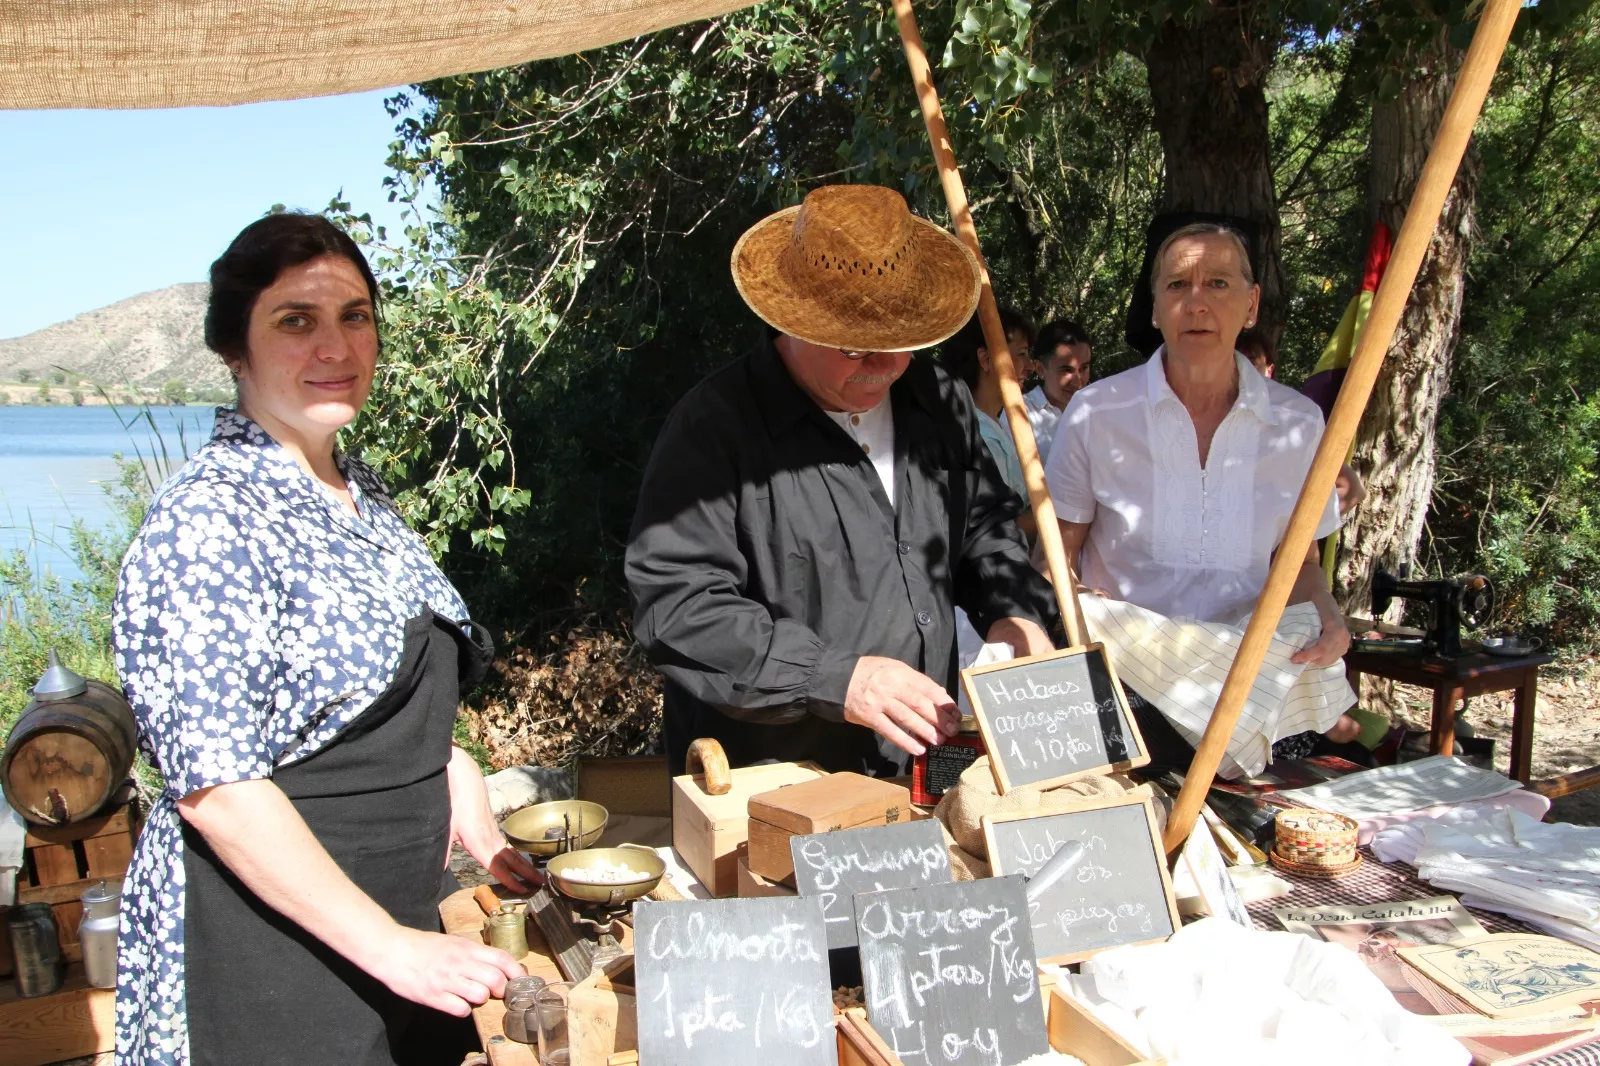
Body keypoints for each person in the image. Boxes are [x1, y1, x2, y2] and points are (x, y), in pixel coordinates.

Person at [112, 214, 536, 1065]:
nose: (336, 344)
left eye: (355, 315)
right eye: (295, 320)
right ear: (235, 349)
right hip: (276, 949)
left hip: (392, 919)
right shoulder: (207, 521)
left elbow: (378, 705)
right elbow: (219, 790)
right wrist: (392, 948)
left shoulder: (358, 491)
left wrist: (473, 814)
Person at [626, 184, 1058, 776]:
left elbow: (981, 528)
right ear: (795, 322)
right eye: (858, 349)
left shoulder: (937, 399)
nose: (886, 366)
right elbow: (679, 607)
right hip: (778, 785)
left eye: (902, 344)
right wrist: (839, 679)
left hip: (925, 766)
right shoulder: (713, 429)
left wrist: (1014, 613)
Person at [1045, 221, 1360, 775]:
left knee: (1256, 853)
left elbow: (1298, 564)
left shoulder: (1299, 423)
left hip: (1252, 683)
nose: (1196, 304)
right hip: (1126, 686)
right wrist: (1077, 620)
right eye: (1176, 286)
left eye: (1217, 283)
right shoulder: (1097, 413)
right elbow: (1054, 554)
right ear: (1154, 308)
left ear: (1252, 303)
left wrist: (1329, 616)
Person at [1239, 327, 1367, 517]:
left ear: (1269, 369)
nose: (1243, 371)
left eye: (1251, 363)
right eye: (1236, 363)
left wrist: (1288, 538)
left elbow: (1350, 489)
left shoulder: (1294, 420)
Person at [938, 305, 1037, 505]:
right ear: (985, 360)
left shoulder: (992, 423)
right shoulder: (979, 437)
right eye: (1022, 354)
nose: (1030, 366)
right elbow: (995, 526)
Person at [1024, 319, 1092, 459]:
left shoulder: (1095, 406)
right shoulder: (1021, 413)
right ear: (1040, 369)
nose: (1078, 381)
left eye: (1084, 368)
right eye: (1067, 370)